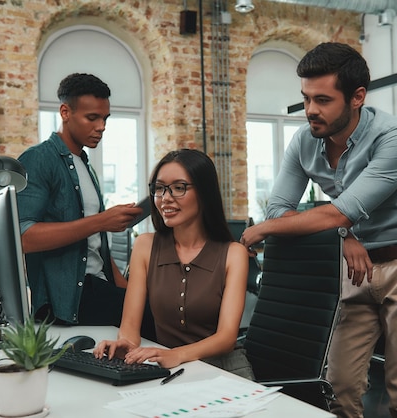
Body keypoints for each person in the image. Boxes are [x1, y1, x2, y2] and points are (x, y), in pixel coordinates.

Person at [240, 43, 397, 418]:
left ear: (357, 97)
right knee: (339, 388)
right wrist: (344, 235)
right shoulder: (305, 140)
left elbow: (341, 212)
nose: (310, 110)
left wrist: (275, 229)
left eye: (322, 99)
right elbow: (280, 207)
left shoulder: (396, 137)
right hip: (354, 267)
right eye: (305, 99)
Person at [94, 149, 254, 379]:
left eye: (179, 188)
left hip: (225, 370)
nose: (166, 198)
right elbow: (129, 326)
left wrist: (176, 355)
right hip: (173, 370)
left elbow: (226, 338)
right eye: (160, 188)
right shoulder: (145, 246)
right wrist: (124, 344)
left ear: (204, 192)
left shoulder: (233, 254)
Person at [17, 73, 145, 328]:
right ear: (65, 112)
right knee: (163, 320)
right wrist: (100, 221)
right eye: (92, 118)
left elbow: (94, 248)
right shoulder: (38, 160)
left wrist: (130, 292)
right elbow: (24, 238)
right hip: (71, 298)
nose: (102, 126)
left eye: (105, 118)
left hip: (97, 285)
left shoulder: (84, 165)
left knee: (152, 310)